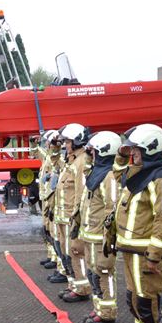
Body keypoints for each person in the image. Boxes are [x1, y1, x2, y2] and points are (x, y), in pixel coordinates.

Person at [114, 124, 162, 323]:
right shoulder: (137, 175)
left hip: (145, 252)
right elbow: (116, 174)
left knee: (148, 300)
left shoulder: (160, 179)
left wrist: (155, 254)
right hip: (131, 249)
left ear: (150, 149)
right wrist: (121, 152)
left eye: (137, 150)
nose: (133, 154)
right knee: (135, 299)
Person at [75, 131, 123, 323]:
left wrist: (108, 238)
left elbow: (112, 207)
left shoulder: (109, 176)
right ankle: (98, 309)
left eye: (94, 151)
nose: (90, 155)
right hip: (89, 234)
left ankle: (107, 313)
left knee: (104, 272)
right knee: (94, 273)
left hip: (100, 237)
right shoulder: (96, 173)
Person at [53, 123, 92, 301]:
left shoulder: (81, 161)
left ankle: (82, 288)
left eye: (68, 141)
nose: (65, 145)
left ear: (77, 141)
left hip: (70, 218)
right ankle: (73, 284)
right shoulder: (72, 160)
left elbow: (80, 193)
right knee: (66, 251)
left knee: (75, 253)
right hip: (62, 216)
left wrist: (77, 219)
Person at [37, 130, 63, 271]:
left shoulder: (58, 158)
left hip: (51, 198)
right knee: (46, 229)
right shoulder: (48, 155)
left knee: (53, 231)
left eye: (47, 141)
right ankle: (51, 255)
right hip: (46, 197)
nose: (46, 143)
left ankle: (56, 260)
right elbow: (38, 152)